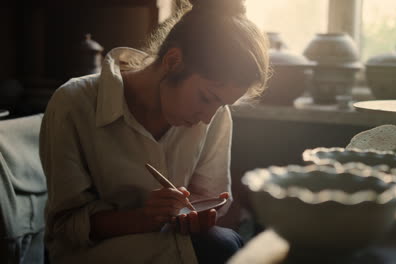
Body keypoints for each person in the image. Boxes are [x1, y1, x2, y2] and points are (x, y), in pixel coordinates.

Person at [39, 0, 269, 263]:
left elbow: (209, 197)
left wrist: (198, 214)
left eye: (222, 104)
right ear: (173, 61)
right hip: (92, 251)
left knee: (227, 243)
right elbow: (66, 227)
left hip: (175, 241)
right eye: (206, 98)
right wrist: (146, 217)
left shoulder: (215, 115)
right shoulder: (74, 103)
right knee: (222, 248)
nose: (207, 118)